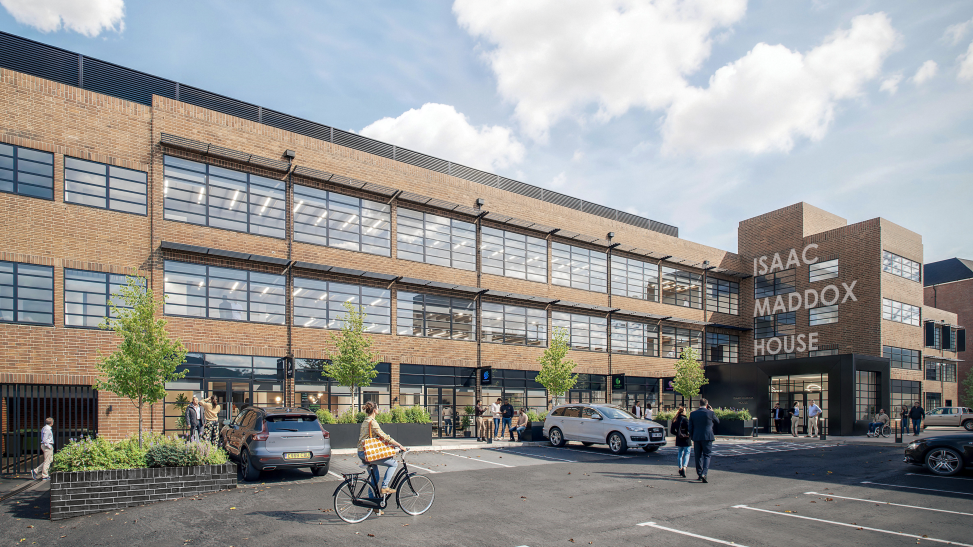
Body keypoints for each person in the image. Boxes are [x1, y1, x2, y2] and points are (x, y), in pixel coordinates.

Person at [358, 401, 406, 516]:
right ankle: (384, 487)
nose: (378, 410)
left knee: (374, 479)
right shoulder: (372, 422)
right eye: (378, 408)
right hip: (367, 453)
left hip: (362, 452)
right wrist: (399, 445)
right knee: (393, 464)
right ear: (374, 410)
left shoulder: (365, 421)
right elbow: (385, 436)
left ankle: (374, 506)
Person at [687, 399, 719, 483]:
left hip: (697, 437)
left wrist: (692, 435)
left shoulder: (693, 414)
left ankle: (700, 474)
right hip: (707, 437)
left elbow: (690, 427)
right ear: (707, 404)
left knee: (698, 456)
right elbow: (717, 421)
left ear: (699, 404)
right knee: (707, 455)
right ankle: (704, 473)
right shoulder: (710, 413)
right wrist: (712, 411)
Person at [669, 406, 691, 478]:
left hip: (679, 439)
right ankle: (684, 467)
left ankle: (680, 468)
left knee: (680, 453)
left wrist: (678, 434)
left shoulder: (675, 419)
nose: (686, 411)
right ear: (683, 411)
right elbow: (690, 429)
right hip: (686, 439)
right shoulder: (686, 420)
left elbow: (672, 431)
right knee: (687, 453)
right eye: (685, 410)